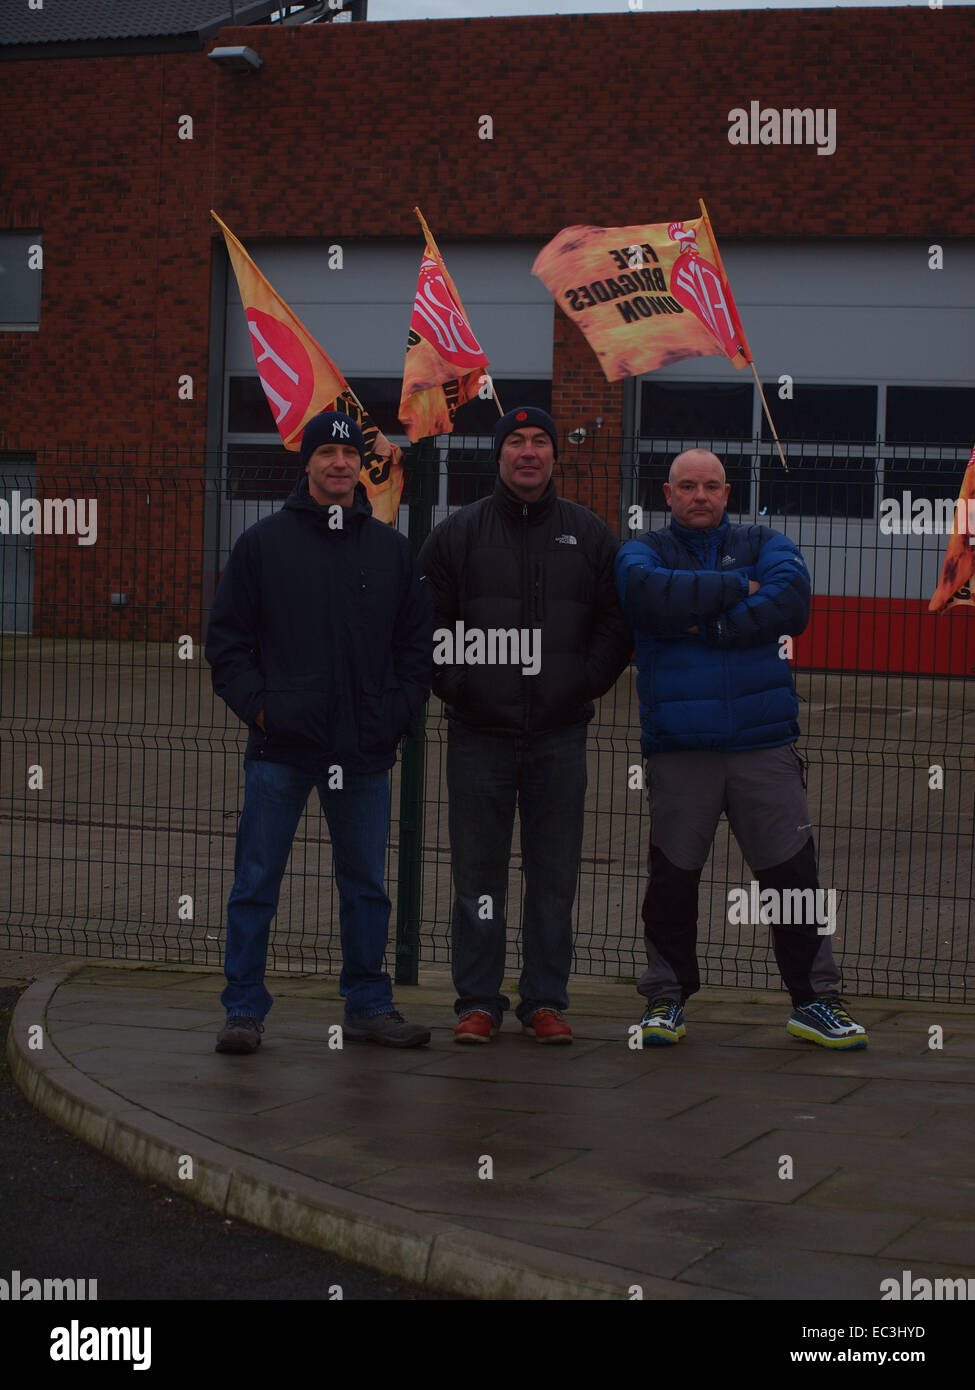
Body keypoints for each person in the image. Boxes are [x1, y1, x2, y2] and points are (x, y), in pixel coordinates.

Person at [615, 448, 867, 1050]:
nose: (699, 496)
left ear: (728, 493)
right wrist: (734, 587)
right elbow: (644, 595)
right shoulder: (643, 551)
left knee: (794, 880)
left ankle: (814, 1003)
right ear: (667, 495)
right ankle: (665, 1002)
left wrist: (713, 622)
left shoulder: (767, 541)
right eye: (687, 487)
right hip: (681, 751)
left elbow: (791, 600)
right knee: (672, 882)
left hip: (765, 748)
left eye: (711, 486)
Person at [206, 410, 433, 1052]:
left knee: (365, 884)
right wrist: (262, 711)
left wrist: (397, 711)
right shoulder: (262, 545)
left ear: (363, 467)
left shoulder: (390, 549)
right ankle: (243, 1010)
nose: (339, 463)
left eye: (349, 454)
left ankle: (368, 1004)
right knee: (256, 882)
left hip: (363, 751)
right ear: (305, 463)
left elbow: (417, 646)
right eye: (326, 452)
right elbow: (227, 644)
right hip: (282, 749)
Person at [419, 406, 632, 1044]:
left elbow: (617, 622)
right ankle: (477, 1001)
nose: (529, 452)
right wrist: (464, 686)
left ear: (554, 457)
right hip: (478, 734)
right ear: (499, 454)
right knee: (477, 875)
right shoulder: (456, 535)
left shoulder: (589, 534)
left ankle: (544, 999)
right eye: (516, 441)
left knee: (554, 875)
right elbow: (424, 625)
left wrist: (583, 682)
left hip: (559, 737)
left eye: (540, 441)